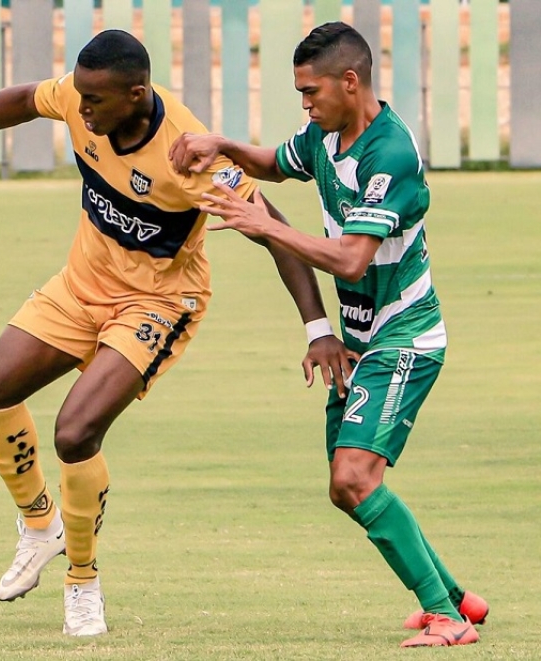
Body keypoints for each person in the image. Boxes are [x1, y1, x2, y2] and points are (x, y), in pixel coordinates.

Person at [0, 29, 353, 637]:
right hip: (81, 286)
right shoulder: (87, 102)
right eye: (78, 98)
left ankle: (82, 582)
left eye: (93, 102)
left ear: (136, 94)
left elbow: (272, 227)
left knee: (75, 433)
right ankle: (39, 524)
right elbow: (26, 98)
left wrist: (318, 327)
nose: (79, 111)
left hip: (158, 302)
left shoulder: (189, 155)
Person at [169, 21, 488, 649]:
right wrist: (224, 145)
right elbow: (276, 165)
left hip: (406, 338)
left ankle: (446, 621)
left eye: (311, 91)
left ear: (351, 80)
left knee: (353, 478)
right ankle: (457, 599)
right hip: (361, 339)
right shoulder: (325, 135)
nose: (306, 104)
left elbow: (350, 260)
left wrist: (264, 228)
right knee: (347, 487)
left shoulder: (388, 153)